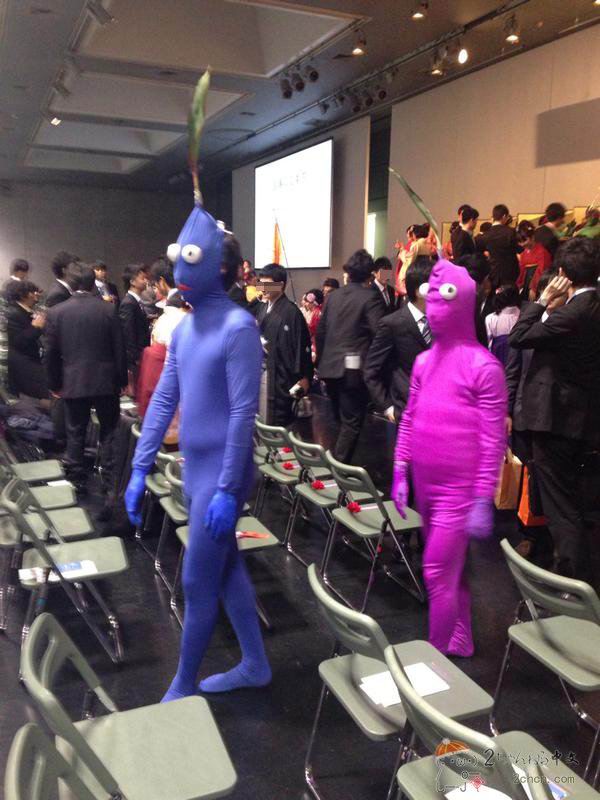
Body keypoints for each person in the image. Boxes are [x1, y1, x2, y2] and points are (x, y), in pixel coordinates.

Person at [125, 202, 271, 700]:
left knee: (197, 579)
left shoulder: (239, 328)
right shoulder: (186, 330)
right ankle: (254, 663)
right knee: (225, 570)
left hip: (221, 475)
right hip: (197, 470)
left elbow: (242, 414)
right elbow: (164, 398)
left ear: (222, 269)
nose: (180, 273)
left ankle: (184, 682)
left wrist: (228, 489)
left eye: (193, 259)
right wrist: (139, 466)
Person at [392, 260, 507, 656]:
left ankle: (434, 659)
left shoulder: (484, 367)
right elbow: (410, 417)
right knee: (450, 569)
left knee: (437, 570)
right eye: (432, 300)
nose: (435, 309)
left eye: (445, 300)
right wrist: (400, 468)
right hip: (426, 483)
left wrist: (482, 496)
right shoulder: (424, 362)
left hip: (458, 490)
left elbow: (492, 439)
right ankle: (460, 637)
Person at [509, 237, 600, 579]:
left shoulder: (572, 313)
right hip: (584, 419)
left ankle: (573, 581)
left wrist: (541, 300)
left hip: (556, 420)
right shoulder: (592, 306)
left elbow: (519, 336)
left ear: (562, 273)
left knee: (561, 507)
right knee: (573, 501)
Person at [45, 264, 127, 505]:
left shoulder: (57, 312)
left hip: (73, 381)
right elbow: (119, 349)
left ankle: (77, 483)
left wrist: (54, 384)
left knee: (75, 432)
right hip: (105, 382)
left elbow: (50, 354)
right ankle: (110, 483)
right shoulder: (108, 310)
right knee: (109, 431)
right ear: (93, 284)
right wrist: (121, 380)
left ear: (70, 284)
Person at [315, 249, 385, 462]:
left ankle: (336, 464)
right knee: (352, 422)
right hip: (353, 372)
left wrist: (321, 362)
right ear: (370, 274)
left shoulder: (333, 297)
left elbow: (321, 332)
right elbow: (381, 334)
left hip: (329, 368)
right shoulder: (371, 297)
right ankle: (338, 470)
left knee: (341, 420)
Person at [364, 257, 433, 423]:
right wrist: (387, 406)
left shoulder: (442, 321)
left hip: (437, 409)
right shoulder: (393, 323)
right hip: (406, 409)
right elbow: (371, 369)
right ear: (420, 290)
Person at [256, 263, 313, 427]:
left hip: (281, 376)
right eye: (261, 283)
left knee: (277, 422)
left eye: (267, 284)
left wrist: (304, 377)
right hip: (262, 370)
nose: (263, 288)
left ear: (280, 285)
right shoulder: (262, 308)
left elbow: (302, 347)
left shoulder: (291, 312)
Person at [5, 280, 48, 405]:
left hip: (33, 358)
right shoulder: (13, 313)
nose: (37, 295)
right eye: (33, 292)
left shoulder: (26, 310)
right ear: (24, 295)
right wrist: (35, 327)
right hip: (23, 362)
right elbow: (18, 342)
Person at [119, 263, 150, 390]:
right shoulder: (128, 303)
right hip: (136, 357)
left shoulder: (136, 301)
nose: (146, 281)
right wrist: (135, 357)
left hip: (142, 353)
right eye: (143, 278)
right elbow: (128, 332)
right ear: (132, 282)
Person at [477, 204, 521, 288]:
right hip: (510, 273)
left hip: (492, 273)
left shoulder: (485, 235)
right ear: (504, 216)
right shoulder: (511, 232)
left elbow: (479, 253)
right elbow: (519, 249)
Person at [485, 284, 521, 365]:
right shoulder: (523, 316)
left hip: (496, 359)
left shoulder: (491, 318)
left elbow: (489, 343)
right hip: (517, 363)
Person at [516, 220, 552, 298]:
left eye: (524, 240)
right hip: (525, 285)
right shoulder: (524, 253)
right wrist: (518, 285)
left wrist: (533, 288)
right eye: (519, 241)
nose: (522, 244)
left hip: (538, 286)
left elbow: (541, 271)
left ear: (532, 237)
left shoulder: (542, 252)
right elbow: (521, 271)